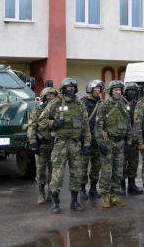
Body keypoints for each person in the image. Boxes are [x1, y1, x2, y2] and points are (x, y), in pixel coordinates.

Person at [38, 78, 91, 214]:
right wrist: (54, 123)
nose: (71, 90)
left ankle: (74, 201)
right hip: (60, 143)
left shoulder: (79, 104)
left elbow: (85, 126)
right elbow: (42, 121)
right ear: (62, 89)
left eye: (73, 87)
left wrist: (86, 144)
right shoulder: (54, 103)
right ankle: (55, 202)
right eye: (68, 87)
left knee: (77, 173)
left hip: (75, 143)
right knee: (57, 174)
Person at [94, 80, 133, 208]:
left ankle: (115, 196)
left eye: (119, 90)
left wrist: (128, 142)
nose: (118, 92)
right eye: (116, 90)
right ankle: (105, 196)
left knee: (118, 171)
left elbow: (128, 125)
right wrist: (101, 144)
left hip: (120, 143)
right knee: (106, 171)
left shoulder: (122, 105)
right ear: (110, 91)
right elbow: (98, 127)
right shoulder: (104, 105)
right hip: (108, 142)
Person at [27, 87, 58, 204]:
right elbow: (32, 127)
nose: (51, 99)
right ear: (44, 98)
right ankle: (41, 194)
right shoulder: (38, 110)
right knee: (40, 172)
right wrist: (33, 143)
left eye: (53, 97)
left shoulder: (58, 110)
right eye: (48, 97)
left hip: (54, 145)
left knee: (53, 172)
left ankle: (51, 193)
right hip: (41, 145)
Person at [80, 80, 105, 200]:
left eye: (99, 88)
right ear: (89, 89)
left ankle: (93, 189)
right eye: (95, 88)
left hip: (97, 140)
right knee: (83, 166)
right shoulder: (82, 103)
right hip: (85, 141)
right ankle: (82, 189)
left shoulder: (102, 104)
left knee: (96, 165)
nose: (98, 90)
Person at [120, 82, 143, 196]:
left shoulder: (137, 104)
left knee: (133, 163)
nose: (132, 93)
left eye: (134, 91)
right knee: (122, 162)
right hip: (122, 139)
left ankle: (132, 185)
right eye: (130, 91)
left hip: (133, 139)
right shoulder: (119, 104)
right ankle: (122, 185)